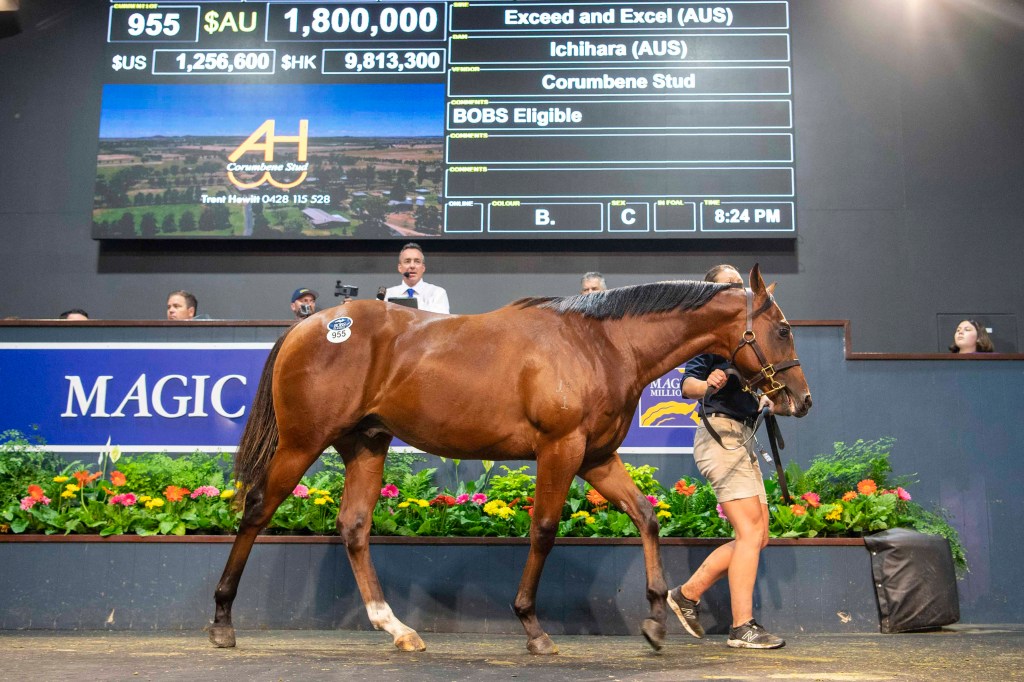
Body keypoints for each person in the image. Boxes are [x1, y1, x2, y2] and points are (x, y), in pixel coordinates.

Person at [667, 263, 785, 650]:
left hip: (743, 439)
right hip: (721, 436)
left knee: (759, 536)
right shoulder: (709, 341)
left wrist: (765, 399)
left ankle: (687, 594)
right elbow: (686, 384)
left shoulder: (743, 341)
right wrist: (707, 383)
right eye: (729, 285)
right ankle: (742, 626)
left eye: (739, 284)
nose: (738, 289)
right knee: (750, 532)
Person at [384, 242, 450, 314]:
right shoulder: (387, 294)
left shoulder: (437, 293)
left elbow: (443, 321)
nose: (412, 266)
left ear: (423, 268)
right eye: (407, 261)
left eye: (417, 261)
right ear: (400, 268)